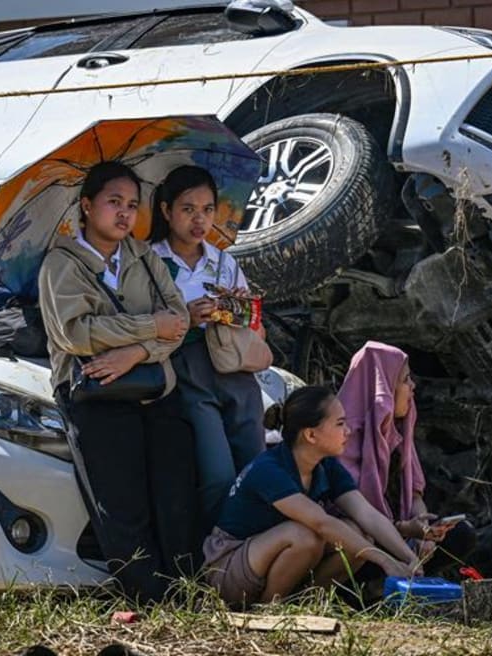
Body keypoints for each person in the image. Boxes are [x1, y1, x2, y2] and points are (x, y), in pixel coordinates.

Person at [37, 161, 196, 603]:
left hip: (154, 389)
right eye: (113, 202)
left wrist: (136, 353)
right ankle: (146, 596)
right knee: (121, 502)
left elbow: (180, 321)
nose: (124, 213)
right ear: (87, 206)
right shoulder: (61, 263)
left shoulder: (145, 256)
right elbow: (76, 333)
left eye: (131, 205)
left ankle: (184, 592)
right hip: (94, 394)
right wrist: (149, 328)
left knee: (174, 492)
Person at [202, 385, 423, 608]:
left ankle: (306, 603)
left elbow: (366, 514)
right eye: (339, 424)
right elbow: (322, 523)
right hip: (229, 569)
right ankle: (269, 609)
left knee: (359, 536)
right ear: (310, 434)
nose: (348, 431)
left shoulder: (325, 465)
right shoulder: (269, 469)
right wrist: (386, 561)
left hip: (269, 561)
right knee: (304, 536)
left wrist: (408, 558)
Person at [149, 165, 266, 535]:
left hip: (236, 370)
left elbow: (256, 327)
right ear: (166, 211)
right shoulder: (149, 262)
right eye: (188, 209)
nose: (199, 220)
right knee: (216, 472)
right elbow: (142, 324)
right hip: (188, 370)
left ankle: (260, 554)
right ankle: (220, 559)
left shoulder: (224, 261)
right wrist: (186, 317)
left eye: (208, 209)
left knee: (255, 463)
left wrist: (238, 310)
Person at [337, 341, 476, 575]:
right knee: (359, 536)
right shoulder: (342, 440)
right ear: (383, 391)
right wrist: (406, 531)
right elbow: (359, 515)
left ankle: (408, 580)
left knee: (462, 534)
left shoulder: (396, 432)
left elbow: (413, 494)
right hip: (365, 539)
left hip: (400, 536)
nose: (412, 386)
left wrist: (423, 529)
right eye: (404, 380)